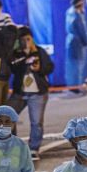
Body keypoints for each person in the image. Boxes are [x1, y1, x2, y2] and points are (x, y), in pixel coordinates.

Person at [7, 27, 54, 160]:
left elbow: (50, 67)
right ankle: (11, 146)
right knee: (7, 116)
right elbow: (13, 68)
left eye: (28, 38)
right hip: (20, 93)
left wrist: (40, 68)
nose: (26, 42)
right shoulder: (17, 54)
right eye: (23, 39)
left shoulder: (40, 52)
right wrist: (23, 54)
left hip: (38, 93)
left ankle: (34, 148)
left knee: (36, 122)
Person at [65, 0, 87, 94]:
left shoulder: (73, 12)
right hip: (77, 42)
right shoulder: (76, 14)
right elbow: (82, 29)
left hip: (75, 42)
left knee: (75, 64)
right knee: (77, 65)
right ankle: (76, 85)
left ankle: (76, 85)